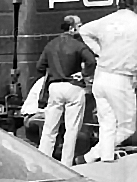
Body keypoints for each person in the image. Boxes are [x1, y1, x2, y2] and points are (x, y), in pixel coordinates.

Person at [80, 0, 137, 163]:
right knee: (127, 127)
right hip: (121, 78)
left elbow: (84, 31)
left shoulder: (105, 21)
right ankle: (90, 156)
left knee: (107, 123)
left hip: (101, 76)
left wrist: (99, 51)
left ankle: (105, 159)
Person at [22, 14, 95, 165]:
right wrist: (83, 74)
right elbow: (91, 61)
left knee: (50, 128)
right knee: (72, 129)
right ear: (72, 28)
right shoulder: (78, 45)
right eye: (79, 25)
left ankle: (43, 160)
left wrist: (53, 70)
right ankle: (66, 163)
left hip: (54, 87)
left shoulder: (51, 45)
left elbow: (39, 67)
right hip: (73, 87)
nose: (81, 28)